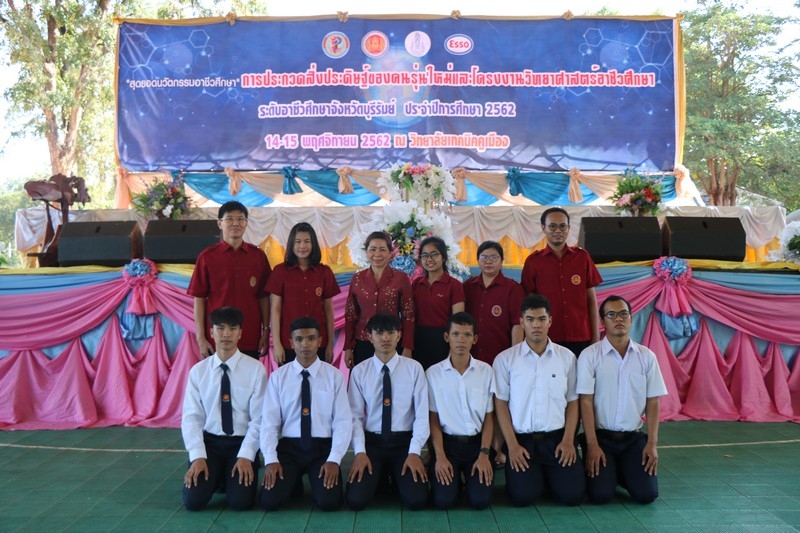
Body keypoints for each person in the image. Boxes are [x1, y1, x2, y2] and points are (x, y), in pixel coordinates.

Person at [493, 294, 585, 506]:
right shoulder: (505, 359)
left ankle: (550, 477)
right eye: (530, 319)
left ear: (550, 321)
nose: (536, 325)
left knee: (572, 496)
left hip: (557, 440)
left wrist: (568, 440)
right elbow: (500, 404)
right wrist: (512, 446)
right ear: (521, 322)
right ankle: (539, 478)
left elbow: (573, 402)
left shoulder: (567, 358)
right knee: (522, 498)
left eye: (542, 319)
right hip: (522, 441)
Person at [577, 295, 668, 504]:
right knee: (600, 495)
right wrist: (592, 444)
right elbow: (585, 401)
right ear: (602, 321)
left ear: (631, 318)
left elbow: (653, 401)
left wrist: (652, 444)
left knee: (647, 495)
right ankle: (611, 473)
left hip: (632, 439)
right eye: (611, 315)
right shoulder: (590, 356)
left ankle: (621, 472)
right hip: (601, 439)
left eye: (623, 314)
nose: (618, 319)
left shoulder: (646, 356)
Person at [259, 317, 352, 511]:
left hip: (321, 449)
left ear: (320, 341)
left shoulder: (334, 376)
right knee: (270, 501)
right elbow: (269, 423)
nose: (305, 344)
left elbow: (343, 422)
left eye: (311, 338)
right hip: (290, 448)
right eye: (299, 339)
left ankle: (301, 481)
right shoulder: (278, 378)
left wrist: (334, 459)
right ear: (291, 343)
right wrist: (271, 459)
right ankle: (293, 482)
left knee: (329, 503)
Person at [181, 307, 267, 511]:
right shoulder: (198, 372)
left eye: (232, 328)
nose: (226, 334)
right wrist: (197, 456)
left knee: (241, 503)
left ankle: (227, 477)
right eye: (220, 328)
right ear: (211, 332)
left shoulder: (256, 369)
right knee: (194, 502)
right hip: (210, 443)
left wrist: (247, 455)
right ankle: (218, 476)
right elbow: (192, 418)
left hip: (241, 442)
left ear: (240, 333)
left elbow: (260, 419)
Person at [345, 312, 429, 511]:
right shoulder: (359, 371)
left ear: (399, 335)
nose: (385, 338)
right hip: (373, 443)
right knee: (356, 500)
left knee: (416, 501)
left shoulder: (414, 369)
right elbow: (354, 417)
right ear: (369, 336)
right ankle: (382, 476)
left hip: (403, 443)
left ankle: (391, 477)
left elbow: (422, 415)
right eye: (379, 333)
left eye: (391, 332)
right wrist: (360, 452)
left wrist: (414, 452)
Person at [426, 312, 494, 510]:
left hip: (477, 446)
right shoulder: (433, 374)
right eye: (456, 334)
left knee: (480, 501)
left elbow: (489, 417)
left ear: (475, 339)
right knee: (443, 501)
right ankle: (451, 482)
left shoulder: (486, 371)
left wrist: (484, 453)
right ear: (447, 337)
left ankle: (470, 484)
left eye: (467, 335)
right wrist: (440, 456)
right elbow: (433, 419)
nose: (461, 340)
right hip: (448, 447)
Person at [188, 201, 272, 358]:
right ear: (219, 223)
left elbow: (264, 297)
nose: (235, 223)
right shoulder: (207, 257)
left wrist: (266, 331)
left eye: (240, 219)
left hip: (250, 335)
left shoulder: (258, 256)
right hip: (217, 339)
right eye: (230, 219)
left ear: (246, 223)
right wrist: (200, 338)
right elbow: (199, 299)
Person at [520, 207, 603, 356]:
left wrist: (596, 335)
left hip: (581, 335)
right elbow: (528, 304)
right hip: (547, 337)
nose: (558, 230)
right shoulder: (533, 262)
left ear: (568, 228)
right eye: (552, 226)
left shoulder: (582, 257)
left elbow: (591, 300)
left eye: (562, 226)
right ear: (543, 228)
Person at [266, 222, 340, 365]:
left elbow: (328, 310)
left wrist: (330, 343)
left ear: (313, 244)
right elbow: (275, 310)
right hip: (289, 343)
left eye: (307, 241)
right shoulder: (280, 271)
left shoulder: (324, 272)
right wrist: (277, 344)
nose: (302, 246)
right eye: (298, 242)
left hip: (318, 343)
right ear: (291, 244)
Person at [344, 231, 415, 368]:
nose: (377, 254)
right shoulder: (357, 279)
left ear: (390, 253)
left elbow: (409, 315)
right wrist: (348, 347)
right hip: (363, 341)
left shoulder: (400, 278)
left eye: (382, 249)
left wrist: (408, 347)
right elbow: (351, 315)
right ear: (367, 252)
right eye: (372, 249)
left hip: (392, 342)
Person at [463, 240, 524, 365]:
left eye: (494, 257)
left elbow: (517, 324)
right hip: (470, 358)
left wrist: (515, 357)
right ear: (478, 261)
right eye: (484, 257)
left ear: (502, 261)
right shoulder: (467, 287)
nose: (488, 261)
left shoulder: (513, 289)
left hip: (500, 357)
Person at [412, 236, 465, 370]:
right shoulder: (416, 284)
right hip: (418, 339)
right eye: (424, 255)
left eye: (434, 254)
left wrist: (453, 349)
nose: (429, 259)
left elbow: (458, 321)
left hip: (443, 340)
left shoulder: (454, 285)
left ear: (444, 257)